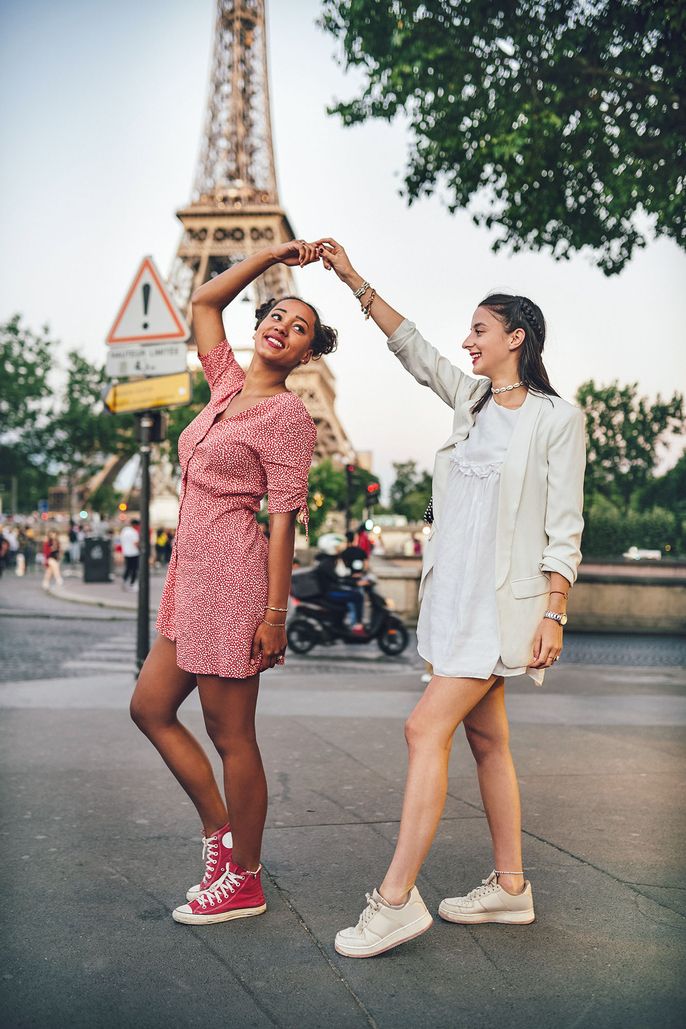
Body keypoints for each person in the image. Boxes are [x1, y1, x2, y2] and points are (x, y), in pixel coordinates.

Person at [316, 237, 585, 958]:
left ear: (515, 338)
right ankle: (511, 886)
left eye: (480, 330)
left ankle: (396, 899)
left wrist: (554, 610)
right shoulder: (469, 399)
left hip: (503, 607)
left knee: (421, 729)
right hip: (454, 596)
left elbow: (565, 526)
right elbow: (412, 345)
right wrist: (350, 278)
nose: (466, 342)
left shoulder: (558, 419)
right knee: (487, 739)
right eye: (467, 331)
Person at [129, 241, 333, 926]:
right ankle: (221, 835)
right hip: (190, 577)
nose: (281, 324)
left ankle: (244, 876)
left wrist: (275, 614)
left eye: (298, 325)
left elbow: (283, 524)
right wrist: (275, 251)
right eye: (276, 313)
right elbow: (204, 299)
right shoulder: (222, 388)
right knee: (150, 706)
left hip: (236, 580)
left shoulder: (289, 419)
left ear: (307, 355)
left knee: (231, 733)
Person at [314, 540, 365, 634]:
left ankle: (341, 625)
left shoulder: (327, 561)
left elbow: (338, 578)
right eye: (337, 548)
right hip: (329, 592)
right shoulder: (327, 563)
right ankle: (358, 624)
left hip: (330, 590)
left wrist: (353, 580)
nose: (340, 551)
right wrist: (355, 583)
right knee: (357, 596)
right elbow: (337, 579)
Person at [120, 518, 140, 590]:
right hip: (134, 552)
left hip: (126, 552)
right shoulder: (134, 532)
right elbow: (136, 543)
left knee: (128, 568)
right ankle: (132, 584)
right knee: (134, 569)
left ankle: (124, 581)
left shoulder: (124, 531)